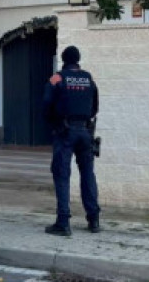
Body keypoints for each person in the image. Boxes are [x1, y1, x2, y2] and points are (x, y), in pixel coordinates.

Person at [43, 45, 100, 236]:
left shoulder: (57, 78)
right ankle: (94, 220)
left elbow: (46, 105)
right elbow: (94, 107)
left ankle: (63, 222)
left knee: (62, 175)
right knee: (88, 175)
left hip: (65, 131)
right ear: (78, 59)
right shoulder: (88, 78)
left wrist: (55, 124)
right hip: (85, 131)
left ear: (63, 59)